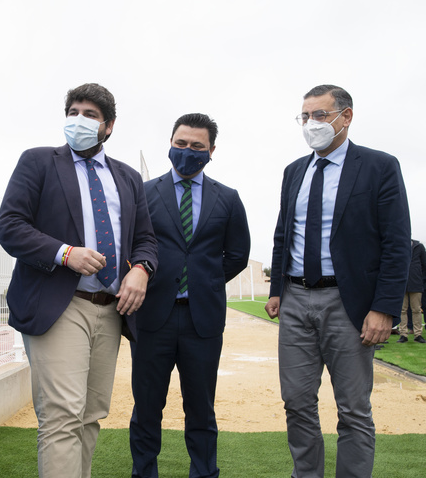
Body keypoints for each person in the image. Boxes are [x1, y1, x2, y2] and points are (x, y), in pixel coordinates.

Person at [0, 83, 158, 478]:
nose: (78, 120)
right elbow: (10, 226)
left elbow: (146, 240)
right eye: (73, 112)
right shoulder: (38, 162)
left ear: (109, 127)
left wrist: (141, 268)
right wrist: (65, 253)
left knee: (90, 415)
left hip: (111, 309)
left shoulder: (129, 177)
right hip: (59, 306)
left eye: (90, 115)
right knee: (62, 415)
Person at [265, 84, 411, 477]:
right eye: (305, 116)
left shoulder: (379, 166)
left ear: (345, 117)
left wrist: (383, 309)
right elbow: (284, 234)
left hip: (348, 303)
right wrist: (277, 290)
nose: (312, 124)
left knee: (352, 408)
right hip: (295, 299)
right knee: (296, 402)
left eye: (320, 115)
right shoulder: (294, 170)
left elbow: (396, 244)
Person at [130, 113, 250, 478]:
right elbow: (133, 245)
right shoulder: (144, 193)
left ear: (211, 150)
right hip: (152, 318)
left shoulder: (228, 199)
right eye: (180, 143)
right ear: (170, 143)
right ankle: (144, 471)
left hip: (203, 320)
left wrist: (205, 282)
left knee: (201, 408)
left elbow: (238, 256)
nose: (187, 151)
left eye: (197, 146)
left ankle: (204, 472)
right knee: (147, 407)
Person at [397, 239, 426, 343]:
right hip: (402, 284)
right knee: (402, 310)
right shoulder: (399, 245)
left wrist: (420, 279)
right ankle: (403, 334)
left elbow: (424, 265)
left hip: (416, 283)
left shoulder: (420, 247)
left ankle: (418, 334)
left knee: (416, 309)